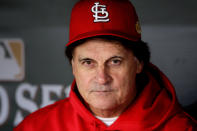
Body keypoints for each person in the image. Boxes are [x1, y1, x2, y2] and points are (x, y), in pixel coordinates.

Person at [14, 0, 197, 130]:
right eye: (88, 62)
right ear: (73, 66)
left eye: (115, 61)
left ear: (139, 63)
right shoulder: (36, 126)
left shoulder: (179, 128)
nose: (102, 78)